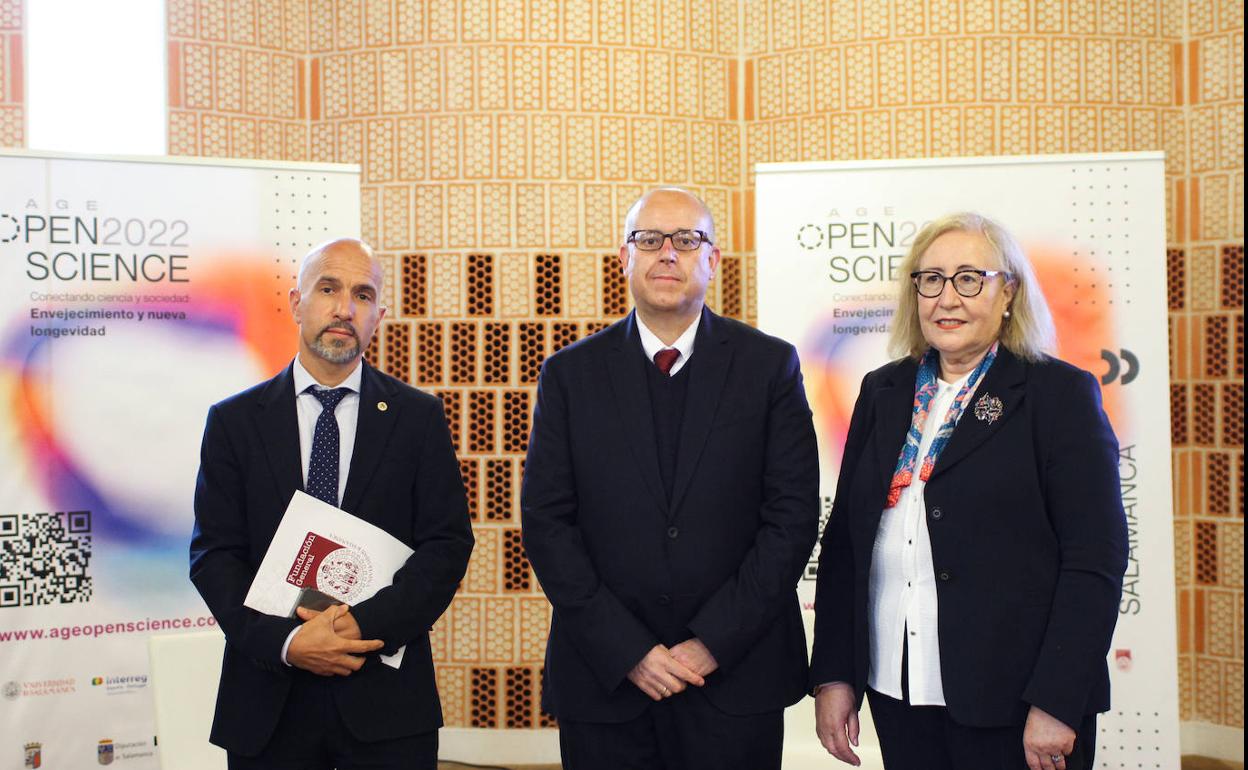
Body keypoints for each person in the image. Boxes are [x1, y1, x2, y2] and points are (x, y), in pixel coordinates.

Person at [809, 213, 1128, 770]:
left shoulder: (1058, 396)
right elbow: (846, 546)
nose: (947, 297)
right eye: (930, 279)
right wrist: (835, 675)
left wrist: (1056, 700)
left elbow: (1094, 561)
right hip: (899, 687)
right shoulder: (883, 391)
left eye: (969, 278)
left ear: (1008, 292)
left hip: (1016, 698)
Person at [521, 187, 820, 770]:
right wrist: (629, 651)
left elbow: (791, 519)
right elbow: (547, 524)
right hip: (606, 680)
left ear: (712, 260)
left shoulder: (769, 367)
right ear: (623, 257)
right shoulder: (569, 376)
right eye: (648, 239)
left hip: (734, 679)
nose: (667, 254)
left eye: (687, 240)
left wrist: (712, 643)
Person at [190, 238, 474, 770]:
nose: (345, 308)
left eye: (363, 295)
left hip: (386, 707)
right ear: (297, 302)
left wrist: (357, 628)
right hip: (267, 700)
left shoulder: (418, 419)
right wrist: (288, 641)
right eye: (329, 289)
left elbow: (447, 546)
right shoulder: (234, 422)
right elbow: (214, 555)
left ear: (379, 316)